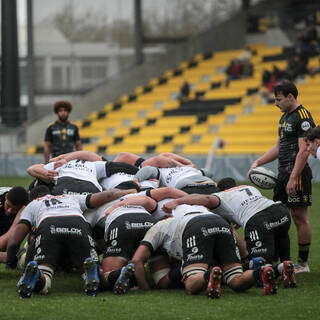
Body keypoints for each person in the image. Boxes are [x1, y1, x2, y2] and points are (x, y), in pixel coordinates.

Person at [6, 185, 137, 298]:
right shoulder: (69, 197)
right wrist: (128, 192)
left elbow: (14, 242)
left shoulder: (33, 205)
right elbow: (107, 195)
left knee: (45, 275)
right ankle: (95, 272)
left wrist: (11, 260)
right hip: (76, 223)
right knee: (95, 270)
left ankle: (37, 276)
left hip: (49, 225)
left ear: (32, 199)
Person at [249, 79, 315, 273]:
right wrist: (259, 162)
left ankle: (302, 264)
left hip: (298, 175)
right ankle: (278, 258)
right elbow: (278, 147)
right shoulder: (285, 117)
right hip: (282, 174)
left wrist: (294, 177)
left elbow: (304, 151)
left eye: (278, 99)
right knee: (279, 215)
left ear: (290, 97)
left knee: (299, 217)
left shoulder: (302, 117)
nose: (275, 103)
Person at [0, 187, 29, 265]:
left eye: (14, 209)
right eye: (8, 205)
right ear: (6, 197)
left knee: (14, 238)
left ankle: (14, 256)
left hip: (10, 224)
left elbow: (11, 233)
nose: (9, 211)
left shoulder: (26, 207)